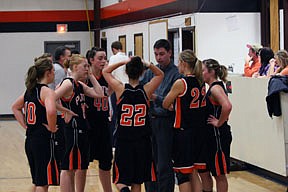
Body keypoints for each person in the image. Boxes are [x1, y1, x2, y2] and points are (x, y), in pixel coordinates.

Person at [103, 56, 164, 192]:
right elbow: (160, 74)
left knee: (120, 181)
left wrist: (123, 62)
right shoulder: (146, 90)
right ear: (142, 72)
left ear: (126, 71)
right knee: (138, 180)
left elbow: (105, 72)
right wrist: (147, 63)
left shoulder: (120, 89)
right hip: (143, 141)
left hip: (124, 140)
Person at [54, 54, 104, 192]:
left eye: (88, 66)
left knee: (79, 166)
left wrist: (91, 76)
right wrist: (66, 111)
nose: (87, 69)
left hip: (81, 127)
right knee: (67, 167)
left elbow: (100, 94)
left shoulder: (79, 84)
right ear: (75, 67)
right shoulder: (68, 83)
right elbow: (50, 98)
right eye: (85, 66)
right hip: (72, 128)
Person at [162, 49, 207, 192]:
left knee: (182, 174)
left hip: (183, 132)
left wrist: (172, 107)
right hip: (199, 132)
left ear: (183, 63)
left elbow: (165, 103)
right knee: (193, 171)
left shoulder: (181, 83)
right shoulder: (201, 82)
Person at [11, 57, 58, 192]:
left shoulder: (29, 91)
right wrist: (53, 127)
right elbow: (51, 110)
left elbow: (15, 107)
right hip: (43, 140)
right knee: (43, 183)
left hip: (30, 139)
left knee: (38, 181)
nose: (54, 74)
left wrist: (26, 126)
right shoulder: (47, 91)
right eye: (53, 71)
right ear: (48, 72)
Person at [141, 39, 181, 192]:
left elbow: (172, 104)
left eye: (162, 54)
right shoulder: (151, 72)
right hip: (149, 120)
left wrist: (157, 98)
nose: (159, 58)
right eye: (156, 54)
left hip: (165, 122)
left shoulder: (176, 74)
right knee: (149, 161)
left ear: (170, 53)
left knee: (164, 163)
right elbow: (143, 90)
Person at [199, 59, 233, 192]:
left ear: (211, 72)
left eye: (203, 70)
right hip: (210, 136)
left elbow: (228, 106)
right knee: (206, 172)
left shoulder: (216, 88)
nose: (201, 73)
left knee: (219, 175)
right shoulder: (211, 88)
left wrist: (219, 122)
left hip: (218, 136)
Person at [86, 47, 113, 192]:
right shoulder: (85, 78)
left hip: (103, 122)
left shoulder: (106, 76)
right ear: (91, 60)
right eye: (100, 58)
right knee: (84, 164)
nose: (104, 61)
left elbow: (112, 90)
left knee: (105, 162)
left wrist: (109, 73)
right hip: (89, 124)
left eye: (105, 58)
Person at [109, 41, 129, 146]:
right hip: (128, 89)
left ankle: (115, 142)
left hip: (117, 89)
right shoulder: (127, 57)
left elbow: (109, 73)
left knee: (116, 116)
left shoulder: (113, 58)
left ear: (113, 49)